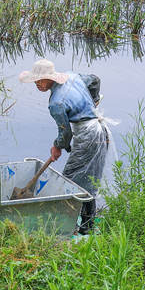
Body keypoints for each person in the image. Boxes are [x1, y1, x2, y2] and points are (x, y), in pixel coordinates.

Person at [19, 59, 110, 235]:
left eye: (40, 80)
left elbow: (65, 133)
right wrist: (93, 101)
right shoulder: (73, 77)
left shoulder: (56, 103)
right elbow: (94, 80)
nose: (37, 84)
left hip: (88, 136)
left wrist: (57, 147)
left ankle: (78, 228)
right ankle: (86, 225)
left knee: (71, 180)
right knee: (86, 177)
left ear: (50, 78)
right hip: (98, 130)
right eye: (35, 81)